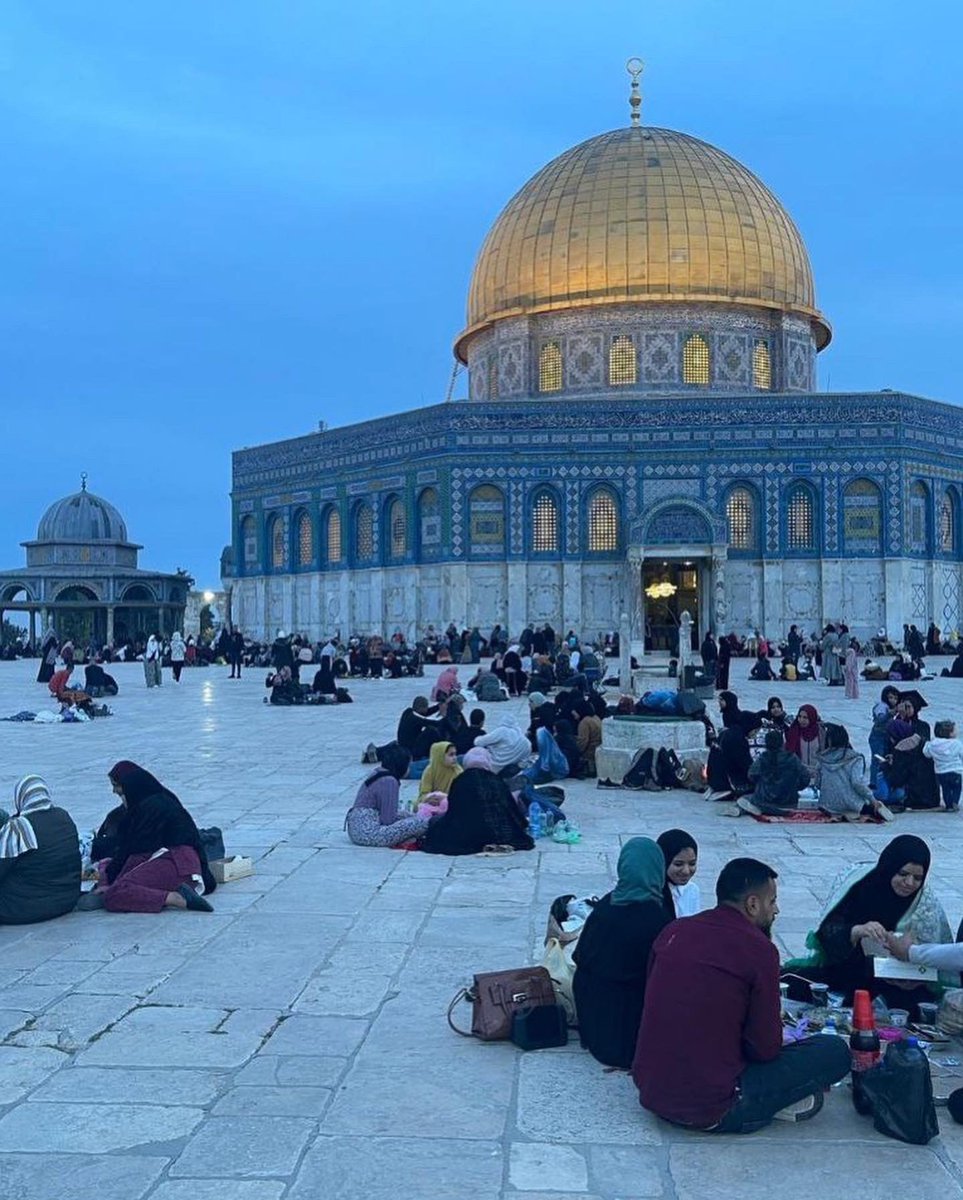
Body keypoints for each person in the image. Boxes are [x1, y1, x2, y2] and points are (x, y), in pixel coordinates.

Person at [633, 858, 850, 1132]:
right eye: (772, 902)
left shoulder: (674, 931)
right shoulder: (758, 949)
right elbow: (764, 1048)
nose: (776, 910)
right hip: (713, 1106)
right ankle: (771, 1103)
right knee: (834, 1051)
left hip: (653, 1092)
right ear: (752, 904)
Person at [783, 835, 951, 1014]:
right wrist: (857, 931)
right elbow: (828, 933)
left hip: (898, 985)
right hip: (849, 973)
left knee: (915, 1006)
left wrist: (914, 972)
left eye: (917, 878)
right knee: (790, 981)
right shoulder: (862, 886)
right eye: (903, 874)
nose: (909, 883)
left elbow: (937, 957)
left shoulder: (925, 904)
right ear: (889, 868)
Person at [572, 838, 673, 1069]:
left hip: (593, 1027)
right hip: (631, 1041)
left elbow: (580, 959)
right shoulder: (657, 919)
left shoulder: (606, 906)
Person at [94, 762, 216, 913]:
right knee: (110, 867)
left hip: (178, 863)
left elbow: (137, 853)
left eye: (117, 786)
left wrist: (114, 881)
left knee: (115, 895)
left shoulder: (152, 808)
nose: (114, 791)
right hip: (178, 860)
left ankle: (176, 898)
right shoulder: (152, 801)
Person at [420, 747, 534, 856]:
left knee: (435, 823)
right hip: (498, 832)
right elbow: (511, 809)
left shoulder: (460, 781)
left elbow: (454, 812)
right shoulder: (496, 780)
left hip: (466, 835)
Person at [0, 776, 81, 924]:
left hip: (26, 908)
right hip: (67, 900)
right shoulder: (63, 816)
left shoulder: (20, 827)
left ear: (20, 797)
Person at [345, 744, 430, 847]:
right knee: (420, 824)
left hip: (357, 827)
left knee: (408, 815)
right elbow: (388, 820)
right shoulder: (389, 781)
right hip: (369, 833)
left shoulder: (378, 772)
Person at [813, 724, 887, 819]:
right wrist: (872, 800)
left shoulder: (822, 759)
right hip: (852, 805)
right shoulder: (855, 759)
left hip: (827, 806)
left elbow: (817, 784)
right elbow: (857, 783)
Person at [740, 730, 810, 816]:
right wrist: (794, 787)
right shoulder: (793, 758)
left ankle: (742, 809)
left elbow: (751, 775)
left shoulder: (763, 759)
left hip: (765, 803)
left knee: (745, 798)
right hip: (790, 804)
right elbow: (806, 777)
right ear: (782, 743)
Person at [657, 828, 699, 918]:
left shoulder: (692, 890)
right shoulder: (652, 894)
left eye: (692, 864)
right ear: (664, 862)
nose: (686, 871)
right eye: (678, 864)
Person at [923, 719, 963, 811]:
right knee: (957, 788)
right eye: (954, 730)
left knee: (946, 789)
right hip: (955, 770)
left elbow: (926, 753)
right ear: (950, 733)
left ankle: (948, 806)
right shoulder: (956, 743)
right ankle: (955, 802)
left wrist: (927, 744)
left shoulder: (933, 744)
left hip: (941, 772)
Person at [869, 685, 901, 788]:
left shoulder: (891, 709)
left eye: (895, 698)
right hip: (877, 737)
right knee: (877, 759)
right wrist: (889, 714)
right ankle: (873, 782)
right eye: (890, 697)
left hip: (885, 737)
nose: (893, 700)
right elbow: (880, 718)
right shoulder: (882, 706)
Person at [784, 704, 825, 769]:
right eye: (799, 716)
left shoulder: (821, 732)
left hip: (818, 772)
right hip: (799, 772)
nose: (801, 720)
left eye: (805, 717)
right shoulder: (793, 731)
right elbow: (788, 753)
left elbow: (825, 752)